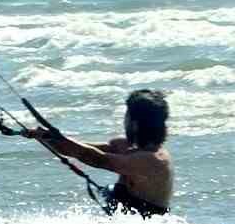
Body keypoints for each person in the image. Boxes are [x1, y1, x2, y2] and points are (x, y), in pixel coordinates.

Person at [22, 89, 172, 217]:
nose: (124, 120)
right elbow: (79, 150)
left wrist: (51, 137)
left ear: (135, 123)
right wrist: (46, 137)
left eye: (127, 115)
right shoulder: (127, 147)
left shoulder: (152, 160)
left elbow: (95, 158)